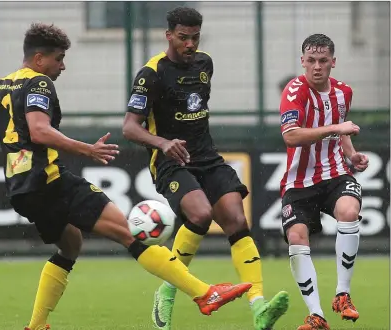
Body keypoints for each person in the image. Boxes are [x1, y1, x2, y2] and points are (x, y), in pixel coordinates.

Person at [0, 23, 254, 330]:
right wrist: (87, 150)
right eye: (59, 58)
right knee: (129, 235)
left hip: (21, 187)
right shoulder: (39, 84)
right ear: (39, 59)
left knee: (70, 244)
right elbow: (39, 131)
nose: (62, 66)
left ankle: (37, 325)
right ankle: (204, 294)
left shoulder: (0, 86)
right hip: (50, 180)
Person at [123, 7, 289, 330]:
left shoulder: (204, 64)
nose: (190, 44)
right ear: (168, 34)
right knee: (199, 214)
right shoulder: (151, 73)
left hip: (207, 156)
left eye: (195, 37)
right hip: (171, 160)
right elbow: (130, 127)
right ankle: (167, 292)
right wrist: (162, 143)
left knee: (237, 218)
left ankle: (259, 307)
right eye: (183, 38)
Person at [279, 33, 369, 330]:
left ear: (333, 62)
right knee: (297, 237)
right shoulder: (294, 91)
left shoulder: (344, 92)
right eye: (311, 61)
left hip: (334, 173)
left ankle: (343, 295)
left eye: (322, 61)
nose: (316, 67)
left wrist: (352, 155)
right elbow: (291, 135)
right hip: (299, 181)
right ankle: (316, 315)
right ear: (302, 62)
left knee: (349, 211)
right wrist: (335, 127)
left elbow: (341, 131)